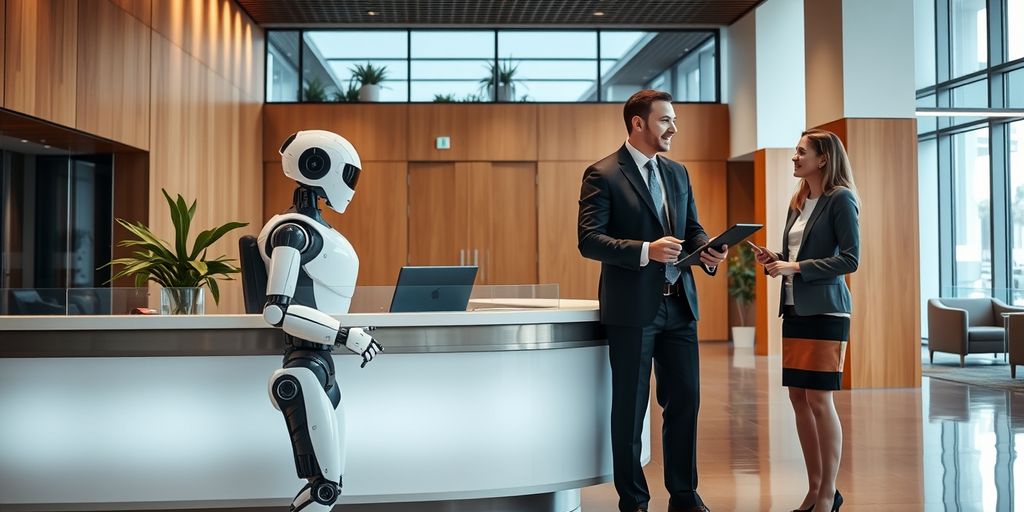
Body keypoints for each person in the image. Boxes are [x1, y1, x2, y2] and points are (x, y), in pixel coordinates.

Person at [578, 89, 726, 512]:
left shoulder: (678, 173)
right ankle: (634, 500)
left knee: (685, 401)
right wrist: (646, 250)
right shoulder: (603, 173)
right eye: (665, 120)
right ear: (638, 123)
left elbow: (693, 228)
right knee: (630, 407)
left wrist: (709, 249)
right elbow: (589, 241)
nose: (673, 128)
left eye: (673, 120)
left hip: (680, 304)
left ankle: (683, 493)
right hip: (632, 310)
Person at [750, 128, 859, 512]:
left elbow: (850, 259)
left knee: (819, 397)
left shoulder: (841, 200)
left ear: (823, 158)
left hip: (827, 309)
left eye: (801, 152)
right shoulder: (799, 201)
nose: (794, 158)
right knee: (798, 397)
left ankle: (829, 491)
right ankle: (814, 488)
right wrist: (774, 259)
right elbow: (794, 255)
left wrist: (793, 265)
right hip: (795, 308)